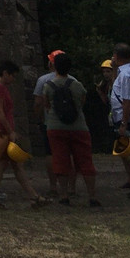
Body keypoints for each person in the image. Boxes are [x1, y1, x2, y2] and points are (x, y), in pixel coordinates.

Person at [0, 59, 49, 209]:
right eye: (12, 76)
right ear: (5, 73)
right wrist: (10, 131)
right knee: (1, 164)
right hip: (1, 131)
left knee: (16, 165)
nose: (13, 79)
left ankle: (34, 197)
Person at [42, 52, 99, 206]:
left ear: (54, 67)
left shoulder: (48, 85)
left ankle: (63, 195)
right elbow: (82, 102)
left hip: (55, 126)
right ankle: (92, 196)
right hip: (78, 126)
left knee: (60, 159)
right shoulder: (77, 85)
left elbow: (46, 106)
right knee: (85, 160)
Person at [31, 49, 63, 196]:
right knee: (68, 153)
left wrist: (39, 119)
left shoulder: (43, 80)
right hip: (69, 122)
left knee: (50, 153)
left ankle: (53, 186)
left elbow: (37, 103)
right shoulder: (74, 80)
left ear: (51, 63)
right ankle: (70, 187)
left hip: (49, 122)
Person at [108, 43, 130, 192]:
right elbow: (115, 87)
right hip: (124, 116)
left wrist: (124, 122)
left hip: (127, 118)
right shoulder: (124, 72)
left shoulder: (126, 74)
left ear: (116, 56)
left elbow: (128, 100)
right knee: (125, 150)